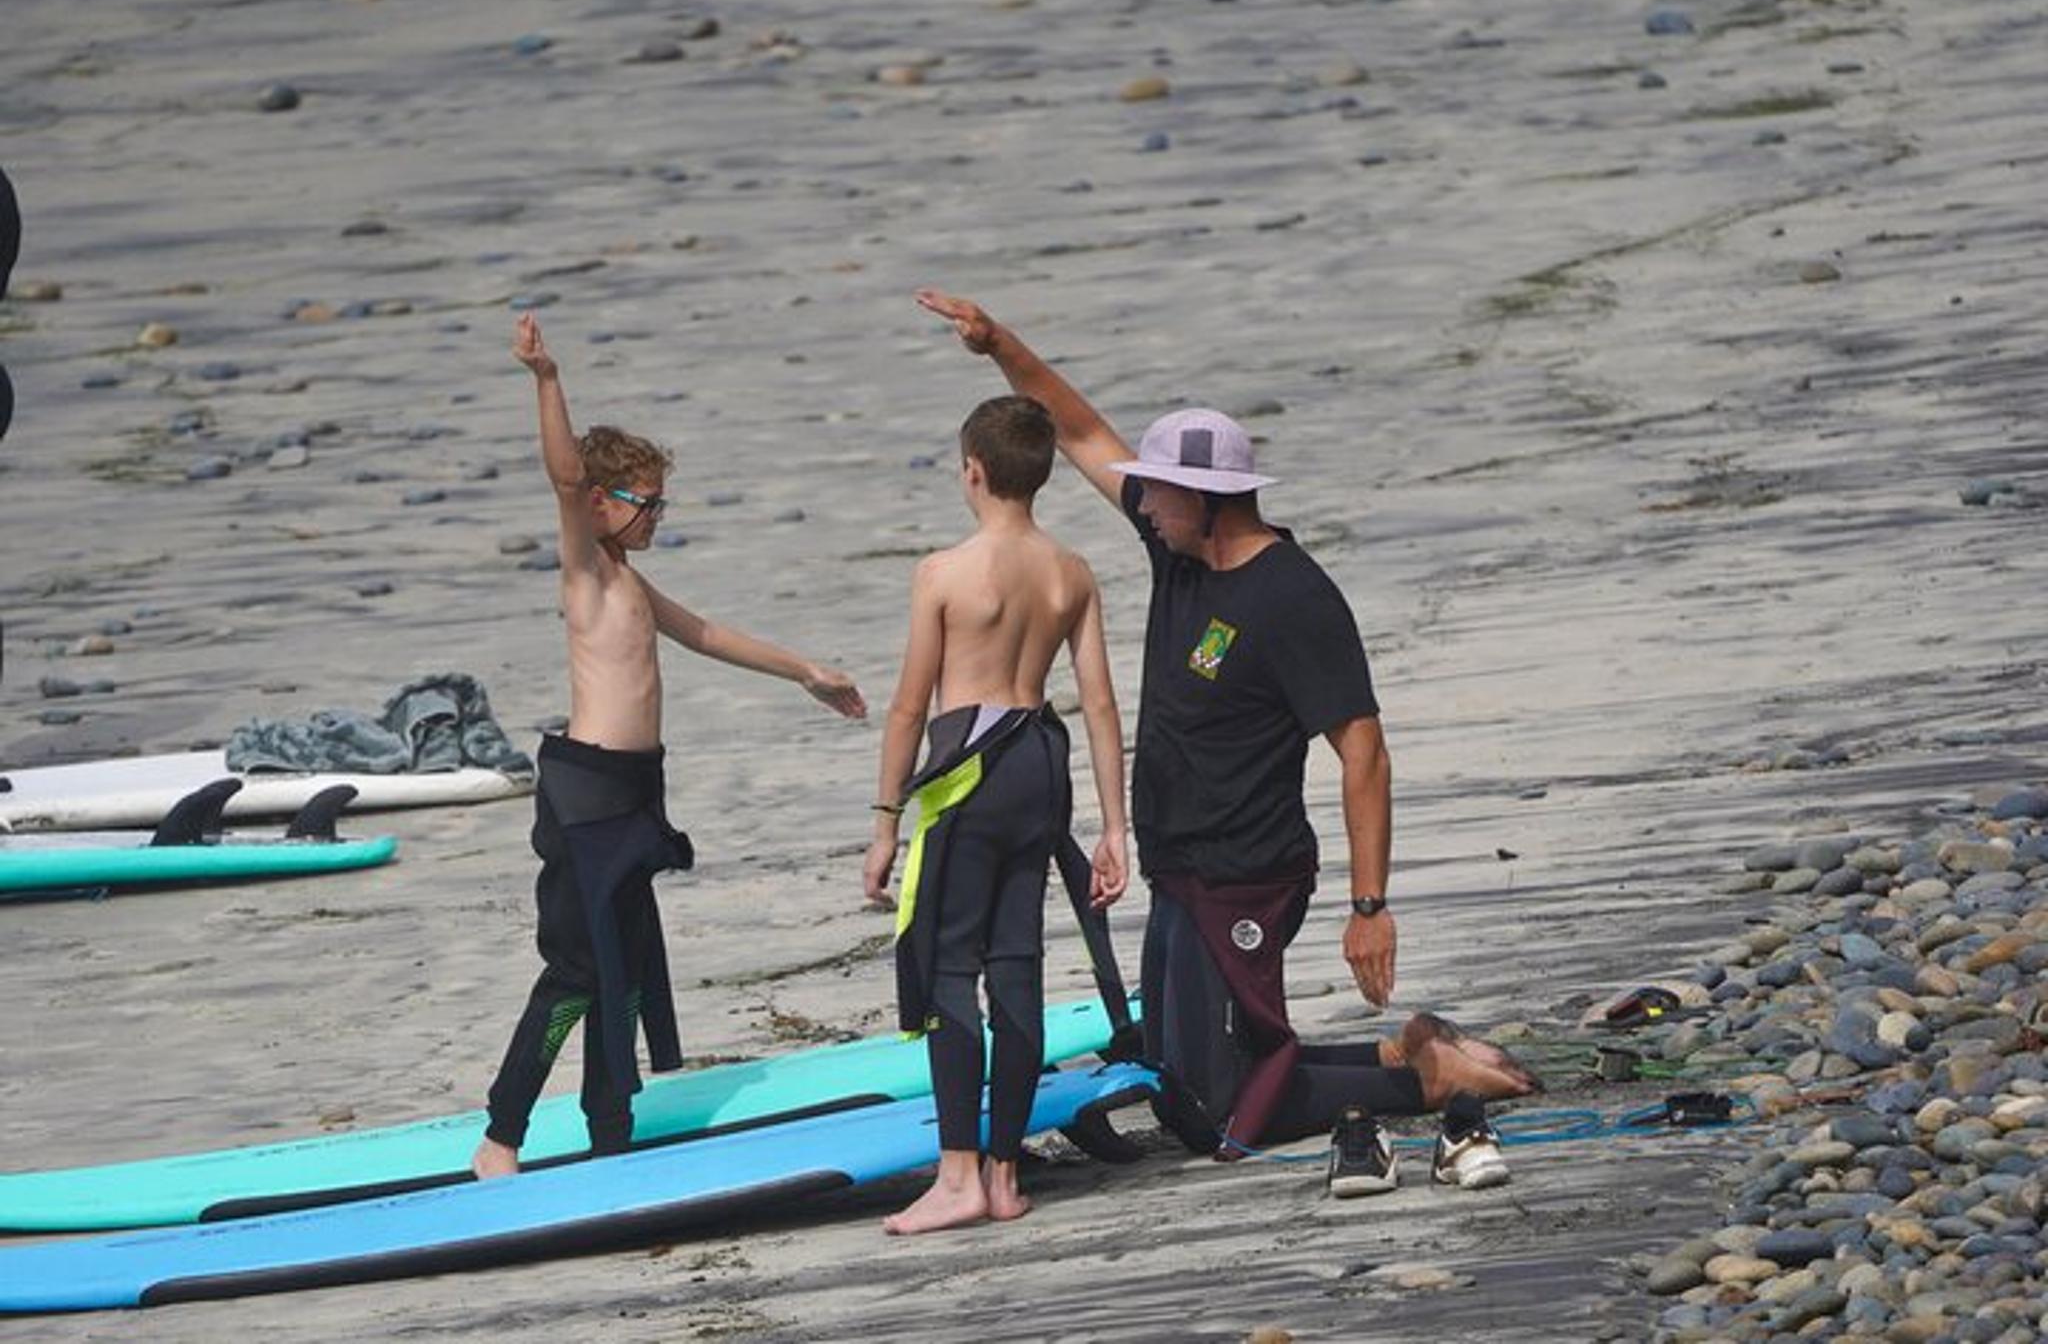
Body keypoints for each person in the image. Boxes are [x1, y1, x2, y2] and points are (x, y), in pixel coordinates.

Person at [915, 291, 1537, 1193]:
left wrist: (1370, 906)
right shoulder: (1180, 547)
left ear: (1209, 500)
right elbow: (1084, 431)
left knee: (1214, 1108)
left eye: (1159, 492)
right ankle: (1401, 1050)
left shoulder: (1293, 598)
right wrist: (999, 344)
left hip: (1247, 869)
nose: (1143, 504)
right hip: (1182, 866)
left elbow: (1363, 749)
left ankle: (1421, 1079)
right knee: (1178, 1074)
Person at [472, 313, 868, 1179]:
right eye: (646, 502)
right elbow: (566, 475)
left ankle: (609, 1127)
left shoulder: (632, 580)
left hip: (631, 795)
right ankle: (500, 1137)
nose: (656, 516)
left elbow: (709, 631)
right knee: (575, 972)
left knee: (626, 971)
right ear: (606, 504)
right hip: (583, 802)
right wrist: (546, 378)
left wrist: (804, 668)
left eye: (660, 502)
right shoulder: (583, 564)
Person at [862, 393, 1129, 1233]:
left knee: (948, 967)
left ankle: (957, 1175)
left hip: (969, 776)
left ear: (972, 471)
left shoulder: (943, 572)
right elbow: (1099, 703)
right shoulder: (1071, 572)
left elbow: (910, 707)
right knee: (1016, 963)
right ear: (1041, 475)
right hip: (1039, 766)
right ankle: (1007, 1172)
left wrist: (883, 823)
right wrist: (1116, 828)